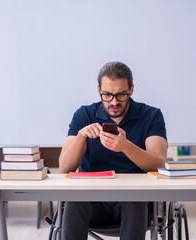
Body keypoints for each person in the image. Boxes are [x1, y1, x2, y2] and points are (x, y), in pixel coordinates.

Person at [59, 61, 168, 240]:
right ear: (98, 90)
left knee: (134, 198)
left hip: (134, 203)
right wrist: (80, 137)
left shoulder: (151, 116)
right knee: (74, 198)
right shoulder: (84, 115)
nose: (114, 102)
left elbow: (159, 164)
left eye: (121, 95)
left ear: (131, 90)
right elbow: (64, 168)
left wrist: (125, 146)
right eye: (107, 95)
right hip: (92, 202)